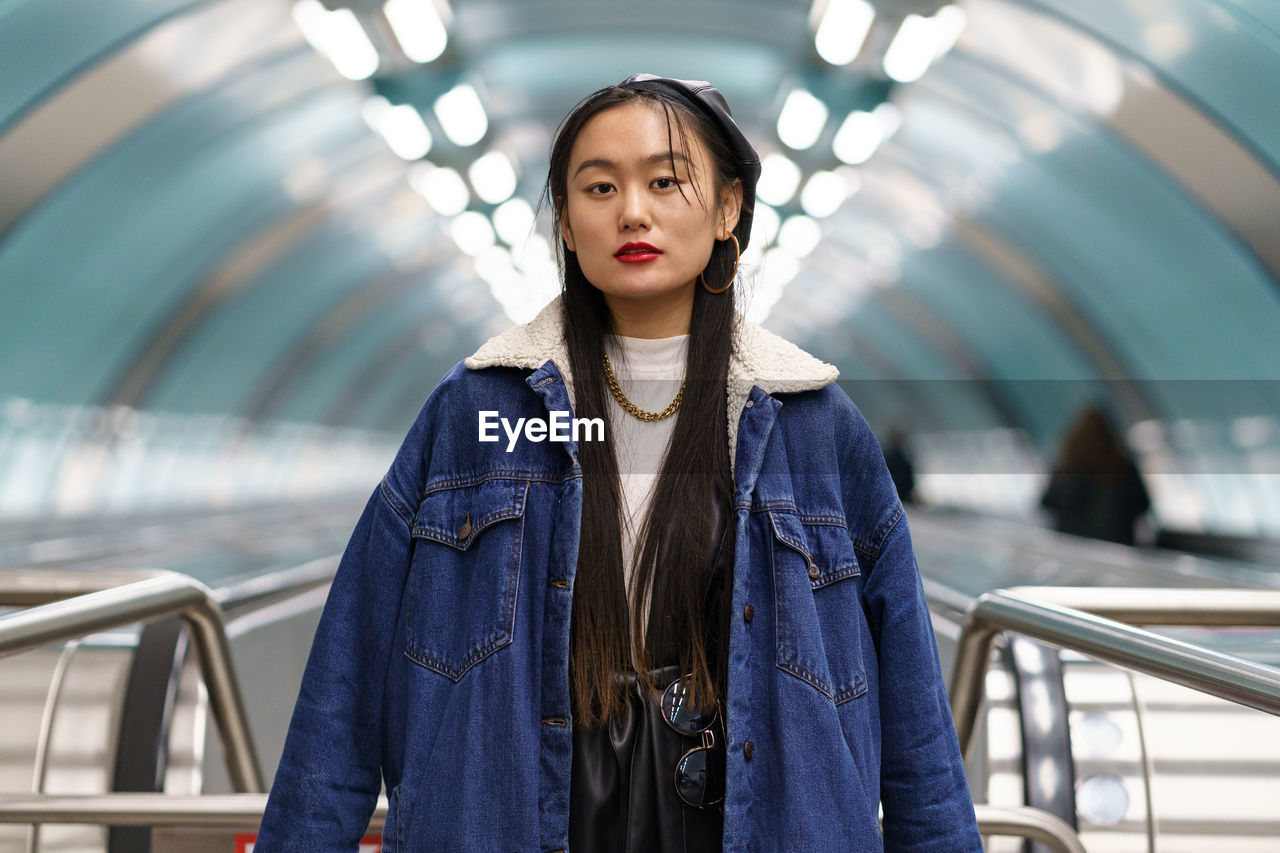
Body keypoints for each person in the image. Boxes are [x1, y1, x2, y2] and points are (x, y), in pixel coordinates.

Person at [255, 73, 982, 852]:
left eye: (665, 181)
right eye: (599, 187)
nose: (632, 210)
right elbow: (348, 677)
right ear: (566, 223)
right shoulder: (478, 412)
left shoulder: (811, 424)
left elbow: (915, 728)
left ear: (729, 207)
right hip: (516, 815)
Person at [1040, 403, 1151, 546]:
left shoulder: (1067, 469)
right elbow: (1143, 505)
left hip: (1072, 546)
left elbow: (1047, 503)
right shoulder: (1122, 467)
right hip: (1117, 547)